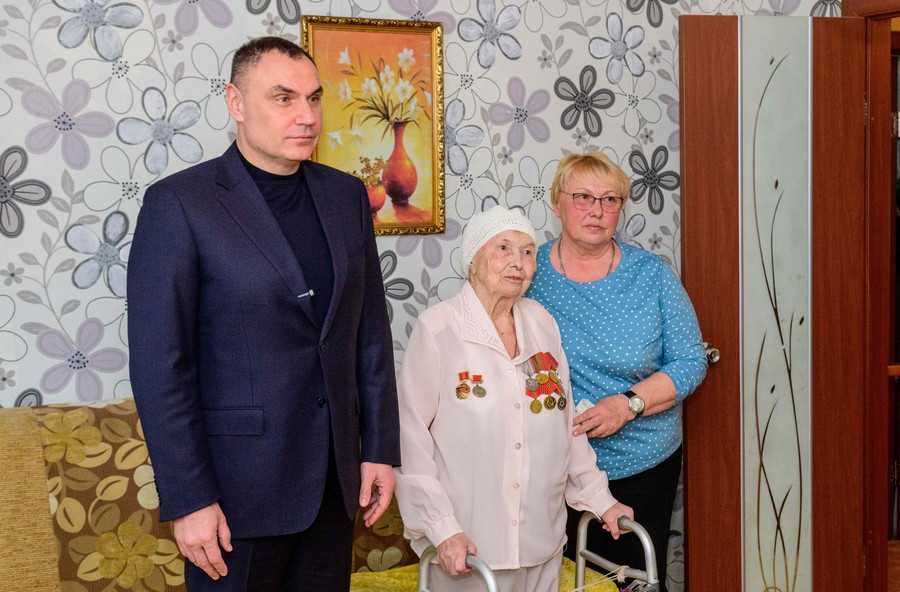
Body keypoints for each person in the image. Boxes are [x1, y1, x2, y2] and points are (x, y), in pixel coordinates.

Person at [127, 36, 400, 592]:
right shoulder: (180, 204)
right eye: (283, 98)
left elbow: (369, 334)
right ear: (236, 102)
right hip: (235, 496)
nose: (307, 116)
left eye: (314, 98)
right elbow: (161, 368)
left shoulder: (346, 196)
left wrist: (378, 449)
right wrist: (189, 498)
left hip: (334, 486)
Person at [394, 205, 633, 592]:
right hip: (467, 550)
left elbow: (564, 424)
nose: (517, 262)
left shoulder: (542, 323)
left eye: (527, 251)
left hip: (542, 541)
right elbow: (411, 437)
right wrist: (443, 529)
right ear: (473, 260)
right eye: (503, 248)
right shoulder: (439, 329)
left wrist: (599, 499)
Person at [525, 152, 707, 592]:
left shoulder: (651, 275)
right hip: (553, 466)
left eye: (610, 199)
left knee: (631, 582)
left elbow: (691, 360)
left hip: (640, 465)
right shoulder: (528, 273)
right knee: (558, 580)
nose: (597, 210)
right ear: (556, 202)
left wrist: (628, 405)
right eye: (583, 197)